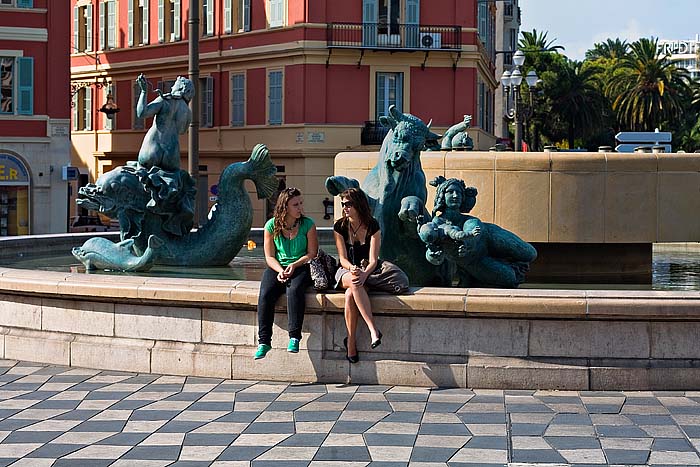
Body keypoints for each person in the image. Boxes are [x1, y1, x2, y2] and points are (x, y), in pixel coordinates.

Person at [255, 187, 318, 359]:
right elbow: (269, 256)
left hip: (301, 266)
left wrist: (294, 265)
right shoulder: (271, 225)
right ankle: (264, 341)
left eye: (300, 204)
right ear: (285, 207)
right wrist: (281, 270)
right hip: (277, 266)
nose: (300, 208)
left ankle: (294, 337)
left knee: (294, 290)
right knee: (265, 294)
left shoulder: (308, 224)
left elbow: (312, 253)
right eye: (295, 205)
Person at [333, 188, 383, 363]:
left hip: (366, 272)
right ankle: (373, 330)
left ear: (358, 204)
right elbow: (342, 258)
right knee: (354, 282)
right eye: (343, 204)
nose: (345, 208)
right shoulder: (339, 226)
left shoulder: (373, 225)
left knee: (350, 296)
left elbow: (373, 260)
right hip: (345, 271)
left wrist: (364, 273)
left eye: (348, 204)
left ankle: (351, 342)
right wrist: (353, 269)